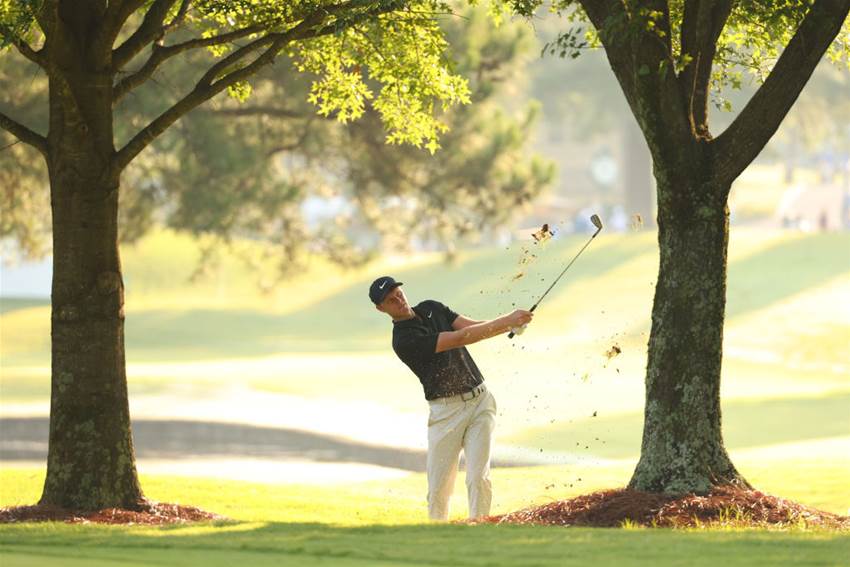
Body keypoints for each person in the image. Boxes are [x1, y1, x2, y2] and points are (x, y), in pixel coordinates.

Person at [369, 275, 533, 520]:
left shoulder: (431, 308)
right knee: (439, 487)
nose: (399, 299)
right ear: (381, 308)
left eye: (399, 293)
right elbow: (460, 338)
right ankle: (438, 535)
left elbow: (471, 326)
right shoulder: (404, 340)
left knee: (478, 476)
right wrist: (508, 319)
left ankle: (479, 527)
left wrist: (508, 326)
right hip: (447, 412)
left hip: (480, 401)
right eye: (391, 300)